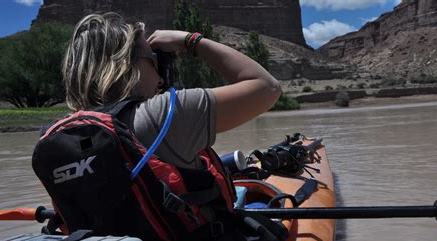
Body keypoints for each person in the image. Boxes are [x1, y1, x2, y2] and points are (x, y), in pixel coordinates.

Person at [62, 12, 281, 170]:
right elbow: (268, 87)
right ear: (128, 66)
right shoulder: (163, 115)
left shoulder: (64, 135)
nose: (159, 77)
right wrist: (190, 41)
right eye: (154, 62)